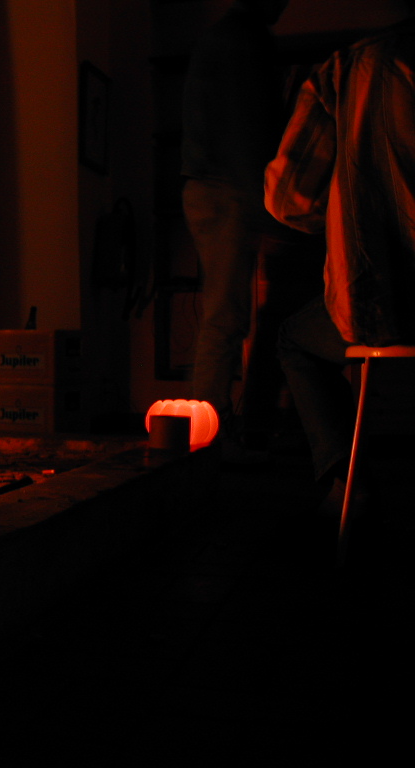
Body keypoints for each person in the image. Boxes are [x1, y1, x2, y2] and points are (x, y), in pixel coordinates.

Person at [266, 4, 415, 504]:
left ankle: (344, 487)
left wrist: (345, 210)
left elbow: (290, 198)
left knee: (295, 338)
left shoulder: (348, 70)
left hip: (390, 309)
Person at [181, 0, 297, 460]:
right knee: (227, 314)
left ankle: (216, 428)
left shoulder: (228, 36)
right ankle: (209, 432)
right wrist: (269, 207)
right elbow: (244, 129)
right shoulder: (244, 40)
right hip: (226, 187)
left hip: (215, 184)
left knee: (227, 312)